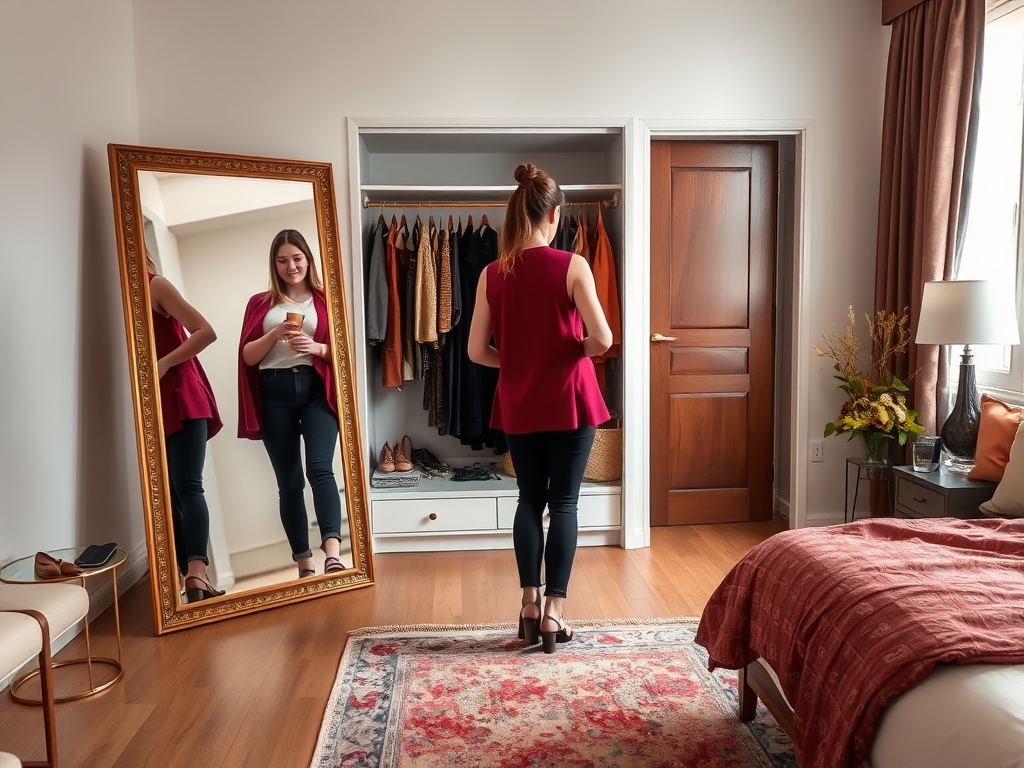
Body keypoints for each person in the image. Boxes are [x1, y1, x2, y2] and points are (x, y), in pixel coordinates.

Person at [468, 164, 612, 654]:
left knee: (529, 498)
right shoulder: (572, 265)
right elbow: (604, 339)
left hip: (519, 401)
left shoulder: (493, 273)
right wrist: (567, 348)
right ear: (552, 215)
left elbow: (474, 351)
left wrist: (519, 359)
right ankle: (555, 614)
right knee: (565, 504)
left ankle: (529, 604)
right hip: (570, 400)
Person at [237, 229, 345, 579]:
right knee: (289, 482)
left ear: (308, 259)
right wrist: (274, 334)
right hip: (274, 392)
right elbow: (248, 358)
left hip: (315, 388)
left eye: (296, 258)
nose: (290, 266)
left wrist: (317, 348)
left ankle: (332, 554)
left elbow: (345, 353)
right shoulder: (260, 303)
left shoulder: (328, 299)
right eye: (282, 260)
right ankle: (304, 564)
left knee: (320, 469)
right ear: (275, 264)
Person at [147, 252, 225, 604]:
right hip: (152, 403)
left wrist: (162, 363)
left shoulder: (155, 286)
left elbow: (206, 331)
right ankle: (188, 577)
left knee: (188, 486)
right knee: (172, 494)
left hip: (181, 393)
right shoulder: (123, 302)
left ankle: (196, 572)